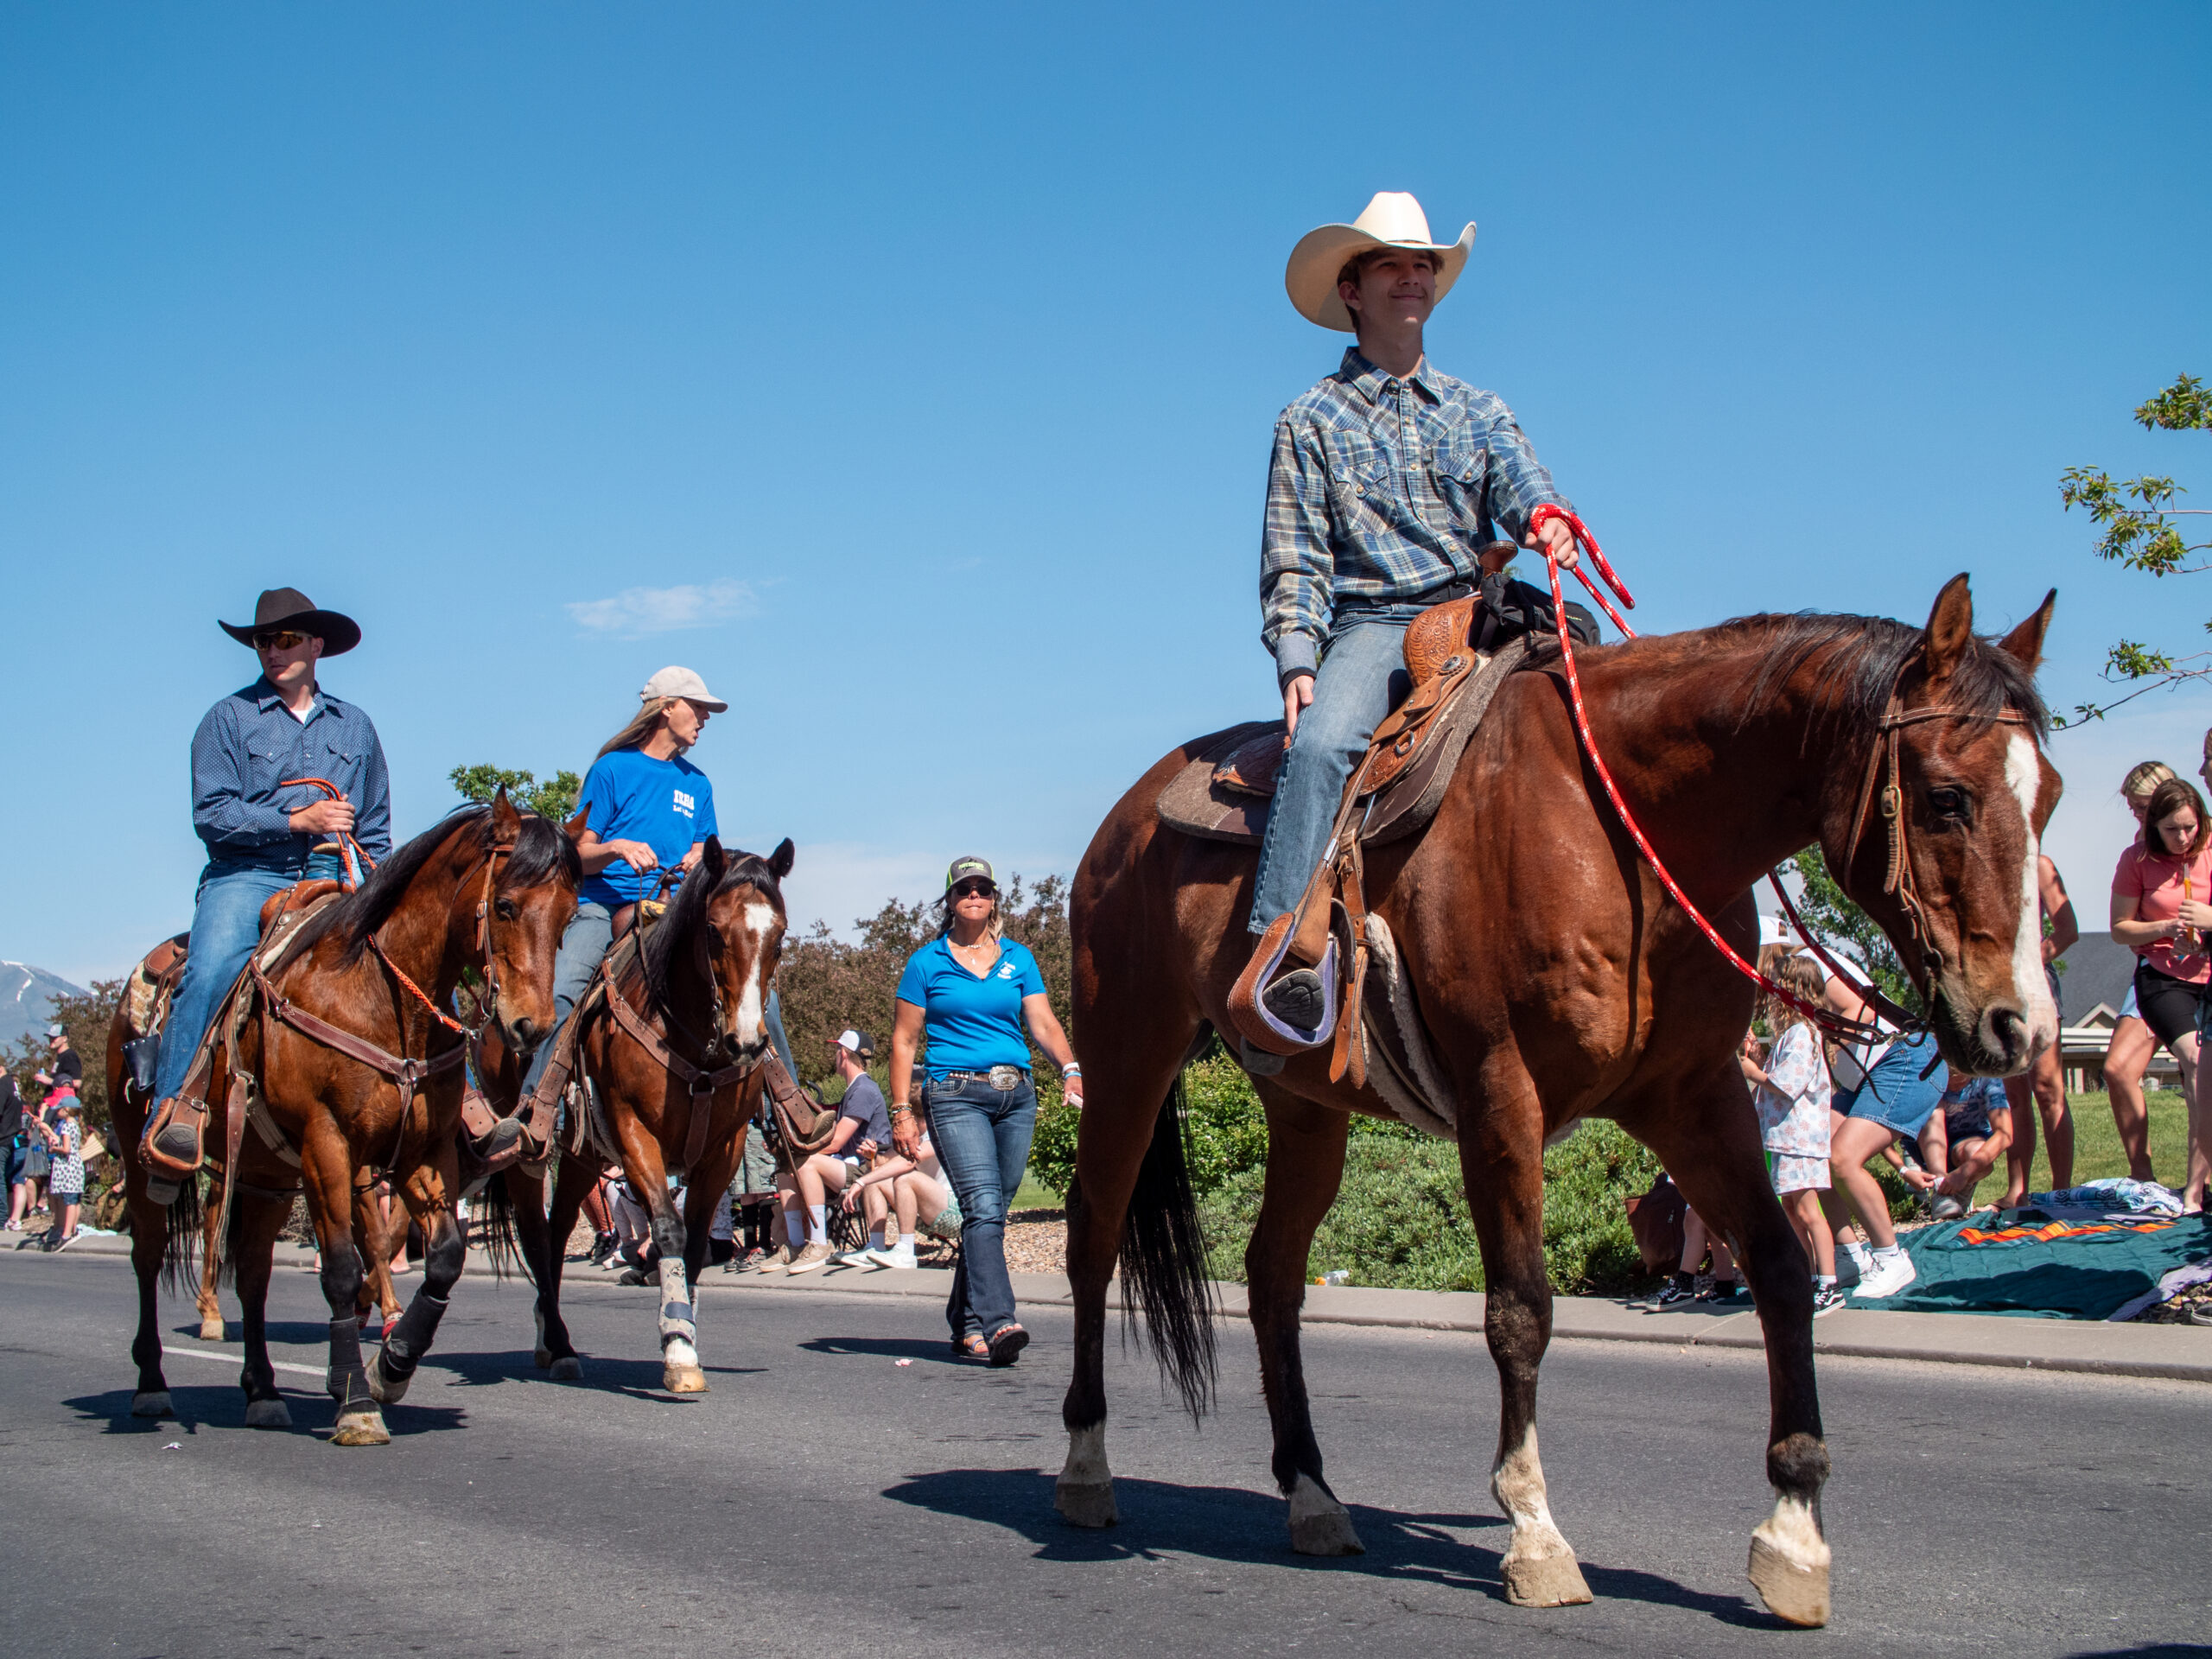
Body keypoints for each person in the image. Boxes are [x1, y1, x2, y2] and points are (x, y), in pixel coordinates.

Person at [1243, 192, 1583, 1047]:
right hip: (1373, 623)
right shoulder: (1308, 418)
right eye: (1391, 264)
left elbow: (1522, 485)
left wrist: (1545, 520)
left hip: (1481, 611)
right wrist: (1296, 657)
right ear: (1351, 291)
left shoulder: (1478, 408)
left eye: (1422, 263)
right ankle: (1284, 962)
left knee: (1607, 694)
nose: (1411, 276)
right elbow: (1295, 555)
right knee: (1321, 748)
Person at [142, 588, 391, 1202]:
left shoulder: (356, 727)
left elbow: (378, 827)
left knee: (404, 962)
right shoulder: (228, 718)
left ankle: (459, 1105)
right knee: (209, 971)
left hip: (335, 875)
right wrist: (296, 821)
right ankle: (175, 1115)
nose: (272, 651)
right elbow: (212, 814)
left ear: (316, 645)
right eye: (262, 641)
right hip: (247, 874)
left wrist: (377, 884)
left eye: (284, 640)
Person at [517, 667, 798, 1143]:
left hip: (669, 914)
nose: (705, 719)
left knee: (757, 995)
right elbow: (577, 854)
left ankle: (791, 1112)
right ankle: (537, 1110)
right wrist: (616, 847)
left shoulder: (698, 784)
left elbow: (706, 854)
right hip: (603, 908)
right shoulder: (612, 769)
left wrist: (698, 858)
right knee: (565, 991)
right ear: (666, 707)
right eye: (698, 708)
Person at [890, 857, 1084, 1364]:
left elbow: (1041, 1023)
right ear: (950, 899)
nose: (974, 895)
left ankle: (966, 1320)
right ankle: (999, 1321)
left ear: (994, 898)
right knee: (983, 1206)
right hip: (954, 1095)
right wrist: (900, 1111)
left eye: (983, 888)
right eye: (964, 888)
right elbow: (905, 1040)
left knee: (990, 1212)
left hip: (1016, 1096)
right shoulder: (926, 962)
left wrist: (1069, 1068)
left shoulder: (1018, 958)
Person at [2110, 777, 2212, 1212]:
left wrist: (2208, 920)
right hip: (2163, 976)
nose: (2183, 838)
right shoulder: (2136, 859)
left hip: (2209, 969)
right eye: (2172, 829)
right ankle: (2173, 1184)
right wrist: (2166, 927)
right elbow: (2119, 928)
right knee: (2196, 1061)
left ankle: (2196, 1186)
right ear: (2155, 826)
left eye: (2190, 827)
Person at [1821, 950, 1947, 1300]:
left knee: (1841, 1159)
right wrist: (1903, 1169)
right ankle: (1849, 1257)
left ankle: (1891, 1257)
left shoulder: (1806, 962)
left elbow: (1857, 1009)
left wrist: (1818, 1053)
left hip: (1903, 1060)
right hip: (1865, 1079)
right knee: (1817, 1156)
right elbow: (1872, 1124)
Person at [1744, 955, 1843, 1316]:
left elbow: (1787, 1084)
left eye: (1778, 987)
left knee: (1807, 1210)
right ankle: (1807, 1277)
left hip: (1799, 1139)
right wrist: (1758, 1055)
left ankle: (1829, 1283)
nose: (1772, 995)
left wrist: (1752, 1071)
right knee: (1792, 1210)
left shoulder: (1803, 1034)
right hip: (1785, 1139)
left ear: (1793, 991)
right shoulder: (1793, 1035)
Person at [2106, 761, 2178, 1181]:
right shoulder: (2138, 850)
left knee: (2196, 1073)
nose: (2138, 816)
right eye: (2133, 809)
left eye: (2144, 807)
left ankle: (2197, 1186)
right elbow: (2123, 925)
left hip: (2198, 968)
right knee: (2117, 1068)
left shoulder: (2199, 839)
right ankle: (2143, 1177)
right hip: (2153, 967)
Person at [766, 1029, 892, 1274]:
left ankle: (819, 1243)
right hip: (850, 1166)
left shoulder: (863, 1089)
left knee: (806, 1164)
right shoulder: (854, 1089)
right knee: (785, 1170)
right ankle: (794, 1244)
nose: (834, 1056)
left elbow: (835, 1143)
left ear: (844, 1054)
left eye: (836, 1050)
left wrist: (798, 1149)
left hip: (869, 1168)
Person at [1998, 853, 2078, 1205]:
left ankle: (2062, 1189)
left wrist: (2030, 962)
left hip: (2036, 986)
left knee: (2047, 1089)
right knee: (2014, 1096)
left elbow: (2068, 931)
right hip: (1997, 988)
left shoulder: (2039, 865)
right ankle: (2018, 1190)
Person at [848, 1122, 962, 1270]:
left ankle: (906, 1253)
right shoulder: (912, 1138)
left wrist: (860, 1182)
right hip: (926, 1214)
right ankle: (875, 1247)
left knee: (905, 1178)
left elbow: (909, 1161)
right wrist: (871, 1157)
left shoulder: (939, 1129)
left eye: (899, 1119)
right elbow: (883, 1164)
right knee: (875, 1177)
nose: (896, 1125)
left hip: (957, 1215)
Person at [1902, 1071, 2012, 1218]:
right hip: (1923, 1144)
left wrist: (1965, 1173)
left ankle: (1958, 1193)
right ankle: (1941, 1189)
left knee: (1976, 1151)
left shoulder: (1987, 1079)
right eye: (1950, 1080)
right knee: (1934, 1107)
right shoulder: (1930, 1073)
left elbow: (2005, 1134)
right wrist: (1902, 1170)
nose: (1955, 1087)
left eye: (1960, 1081)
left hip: (1966, 1142)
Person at [40, 1095, 83, 1251]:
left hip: (67, 1167)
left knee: (69, 1200)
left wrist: (53, 1149)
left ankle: (66, 1234)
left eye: (59, 1109)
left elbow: (66, 1149)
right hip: (76, 1166)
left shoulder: (66, 1126)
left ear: (66, 1110)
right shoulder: (75, 1125)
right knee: (75, 1198)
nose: (57, 1111)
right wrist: (52, 1134)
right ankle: (72, 1229)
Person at [1, 1068, 27, 1233]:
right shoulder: (12, 1084)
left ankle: (1, 1217)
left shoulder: (3, 1086)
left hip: (3, 1140)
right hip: (11, 1138)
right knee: (11, 1181)